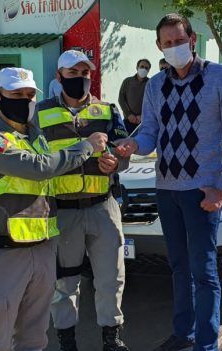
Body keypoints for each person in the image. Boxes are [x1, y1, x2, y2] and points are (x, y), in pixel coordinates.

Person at [114, 14, 222, 351]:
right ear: (160, 47)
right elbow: (149, 133)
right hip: (167, 191)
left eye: (180, 41)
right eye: (168, 43)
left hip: (202, 192)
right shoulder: (156, 86)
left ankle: (207, 344)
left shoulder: (219, 77)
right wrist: (133, 144)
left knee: (204, 272)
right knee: (178, 267)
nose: (174, 47)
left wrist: (221, 187)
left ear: (192, 40)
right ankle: (184, 332)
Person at [0, 67, 108, 350]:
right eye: (16, 94)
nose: (25, 100)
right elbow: (38, 169)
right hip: (3, 254)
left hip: (42, 250)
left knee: (34, 337)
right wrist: (86, 147)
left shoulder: (36, 138)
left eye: (30, 95)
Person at [34, 50, 130, 351]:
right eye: (73, 74)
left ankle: (111, 338)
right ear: (59, 77)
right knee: (64, 284)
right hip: (62, 211)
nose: (80, 79)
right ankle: (67, 341)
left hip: (103, 206)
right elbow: (35, 160)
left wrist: (115, 162)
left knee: (111, 278)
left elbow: (122, 153)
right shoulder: (39, 114)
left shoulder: (107, 110)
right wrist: (82, 147)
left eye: (85, 74)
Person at [118, 58, 151, 134]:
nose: (144, 69)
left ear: (149, 70)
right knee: (125, 143)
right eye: (141, 66)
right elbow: (121, 99)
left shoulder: (151, 83)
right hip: (128, 120)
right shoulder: (127, 81)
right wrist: (129, 114)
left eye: (146, 68)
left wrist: (143, 116)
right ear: (137, 67)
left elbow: (153, 102)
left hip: (144, 122)